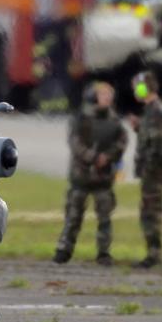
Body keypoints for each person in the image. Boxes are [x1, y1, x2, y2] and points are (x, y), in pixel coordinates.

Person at [54, 81, 128, 266]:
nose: (107, 100)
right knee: (73, 216)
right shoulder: (81, 118)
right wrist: (92, 157)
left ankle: (104, 252)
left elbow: (121, 142)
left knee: (105, 217)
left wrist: (108, 157)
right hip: (82, 176)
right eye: (103, 96)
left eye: (109, 96)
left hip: (103, 178)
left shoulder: (114, 121)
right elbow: (76, 143)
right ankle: (64, 249)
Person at [128, 70, 162, 269]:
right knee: (147, 211)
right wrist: (139, 128)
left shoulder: (157, 111)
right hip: (150, 170)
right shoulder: (151, 111)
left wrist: (148, 168)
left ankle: (154, 254)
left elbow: (156, 144)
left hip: (153, 170)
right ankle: (152, 252)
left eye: (137, 86)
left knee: (150, 212)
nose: (135, 90)